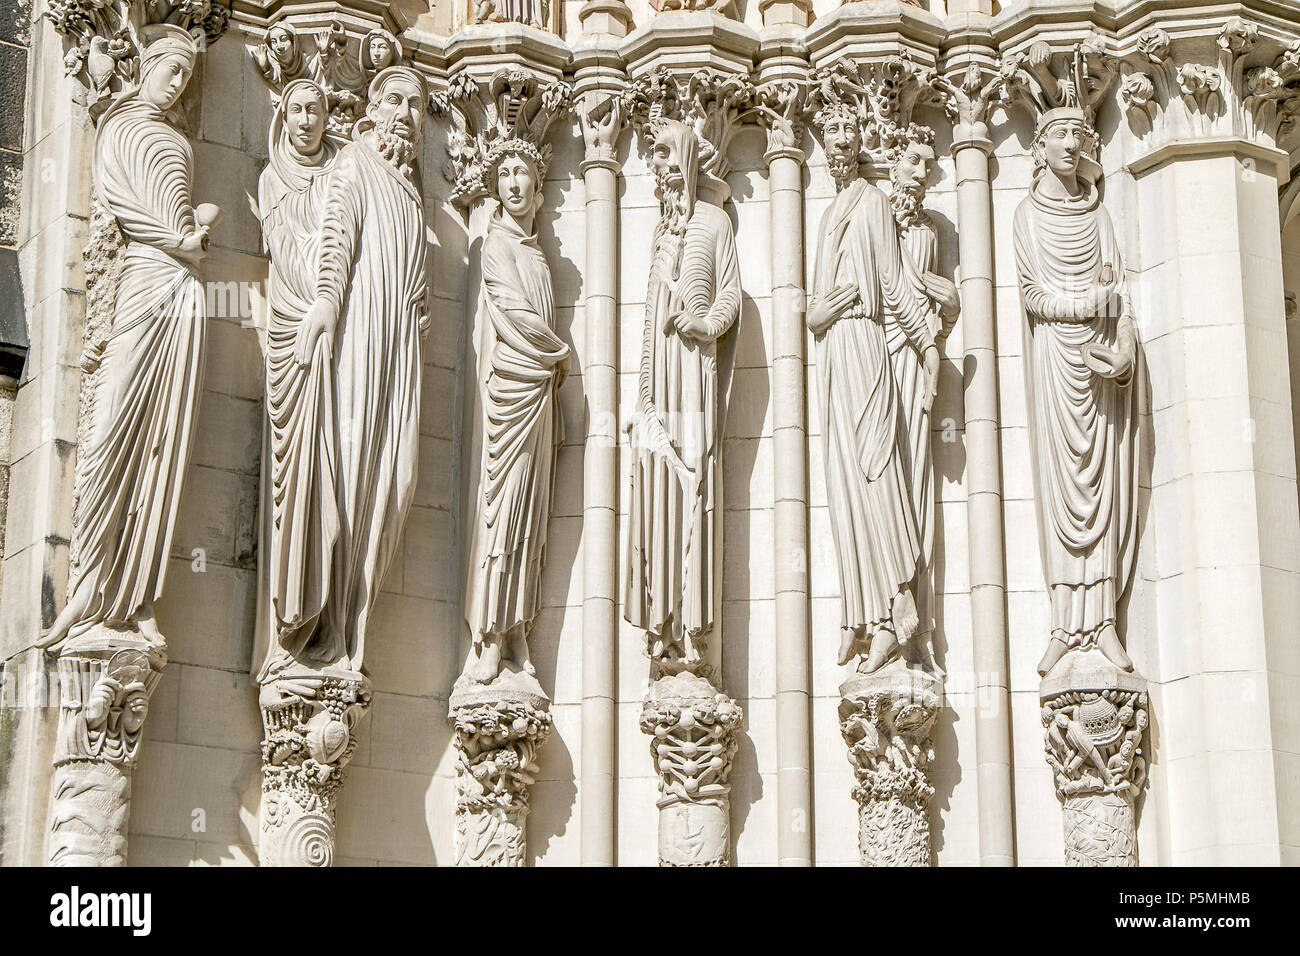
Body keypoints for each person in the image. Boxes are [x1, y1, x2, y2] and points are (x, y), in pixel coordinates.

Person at [43, 24, 218, 651]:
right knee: (112, 426)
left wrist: (190, 242)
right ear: (147, 68)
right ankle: (89, 589)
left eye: (186, 78)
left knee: (161, 444)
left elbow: (174, 211)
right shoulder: (121, 128)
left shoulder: (181, 145)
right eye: (170, 71)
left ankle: (138, 596)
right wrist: (180, 240)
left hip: (184, 293)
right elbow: (123, 205)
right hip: (144, 281)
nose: (176, 85)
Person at [1013, 106, 1139, 678]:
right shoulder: (1025, 216)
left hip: (1097, 363)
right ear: (1038, 148)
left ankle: (1104, 621)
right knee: (1062, 490)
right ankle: (1066, 622)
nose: (1070, 143)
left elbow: (1120, 297)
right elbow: (1034, 297)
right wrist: (1084, 305)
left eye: (1077, 134)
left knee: (1104, 485)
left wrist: (1124, 356)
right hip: (1055, 365)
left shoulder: (1100, 217)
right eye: (1058, 134)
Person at [464, 139, 570, 683]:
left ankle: (517, 631)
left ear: (537, 183)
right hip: (511, 391)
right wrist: (557, 352)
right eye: (503, 172)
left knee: (530, 517)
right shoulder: (496, 245)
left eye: (521, 172)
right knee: (499, 512)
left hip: (538, 396)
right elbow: (509, 309)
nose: (512, 182)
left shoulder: (538, 255)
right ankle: (488, 634)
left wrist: (552, 362)